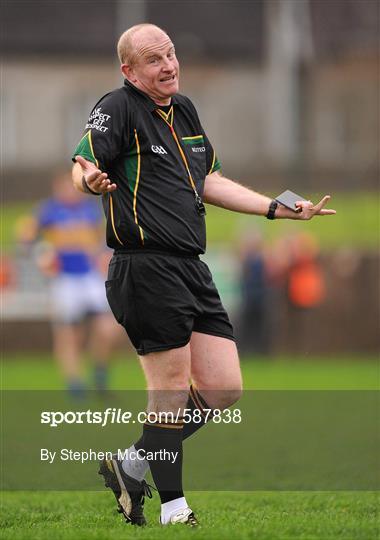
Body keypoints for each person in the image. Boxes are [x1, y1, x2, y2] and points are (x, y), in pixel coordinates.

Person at [72, 23, 336, 527]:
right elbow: (83, 161)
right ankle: (175, 509)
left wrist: (278, 209)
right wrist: (88, 178)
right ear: (129, 70)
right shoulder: (119, 106)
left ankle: (130, 464)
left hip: (191, 267)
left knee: (223, 388)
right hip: (144, 266)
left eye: (170, 54)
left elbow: (209, 180)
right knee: (169, 391)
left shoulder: (185, 109)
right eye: (153, 60)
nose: (168, 65)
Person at [18, 171, 119, 397]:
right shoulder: (49, 210)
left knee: (107, 328)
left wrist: (103, 256)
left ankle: (100, 372)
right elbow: (25, 235)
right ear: (57, 188)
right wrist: (39, 253)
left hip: (90, 277)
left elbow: (102, 241)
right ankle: (75, 383)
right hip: (64, 280)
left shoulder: (89, 210)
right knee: (69, 333)